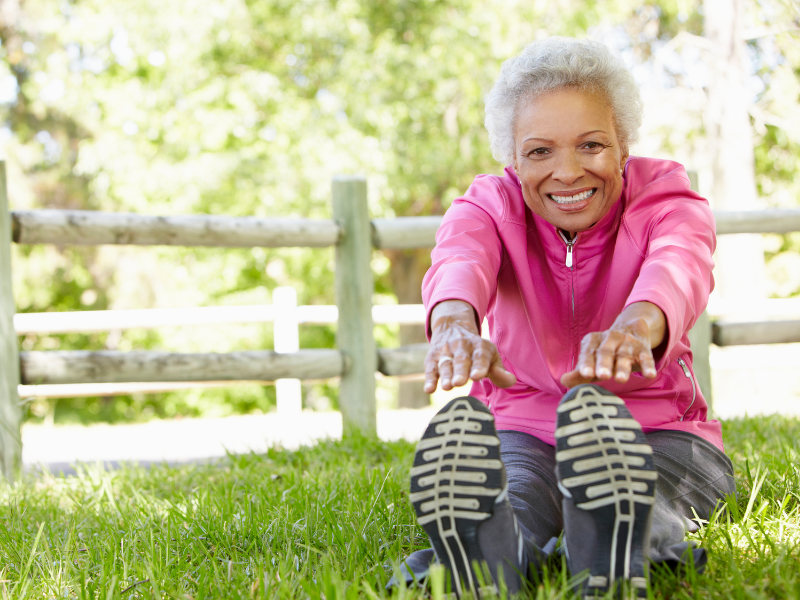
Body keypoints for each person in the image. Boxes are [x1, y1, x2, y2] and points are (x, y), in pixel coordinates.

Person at [390, 37, 736, 598]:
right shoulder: (489, 204)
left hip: (662, 432)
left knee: (650, 497)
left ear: (624, 143)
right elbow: (460, 259)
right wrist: (454, 325)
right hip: (523, 428)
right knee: (518, 497)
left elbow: (680, 264)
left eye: (591, 144)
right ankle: (490, 554)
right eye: (540, 151)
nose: (568, 172)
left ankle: (614, 543)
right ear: (513, 158)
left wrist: (636, 327)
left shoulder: (666, 197)